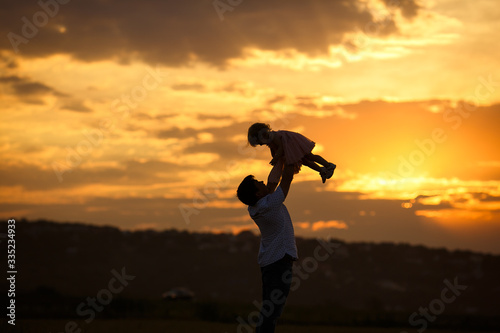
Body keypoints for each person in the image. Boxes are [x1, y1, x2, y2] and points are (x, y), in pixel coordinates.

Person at [236, 164, 297, 333]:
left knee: (269, 308)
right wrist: (290, 158)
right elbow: (286, 179)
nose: (263, 182)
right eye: (258, 183)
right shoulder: (269, 204)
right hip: (279, 261)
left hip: (271, 261)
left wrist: (278, 160)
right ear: (258, 193)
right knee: (273, 310)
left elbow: (272, 183)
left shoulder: (256, 206)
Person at [247, 123, 336, 192]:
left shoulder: (273, 136)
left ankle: (328, 165)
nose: (261, 144)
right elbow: (274, 149)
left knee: (309, 156)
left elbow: (281, 147)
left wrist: (276, 158)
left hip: (292, 144)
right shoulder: (269, 141)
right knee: (305, 161)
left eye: (259, 142)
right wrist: (275, 157)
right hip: (289, 149)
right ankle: (322, 170)